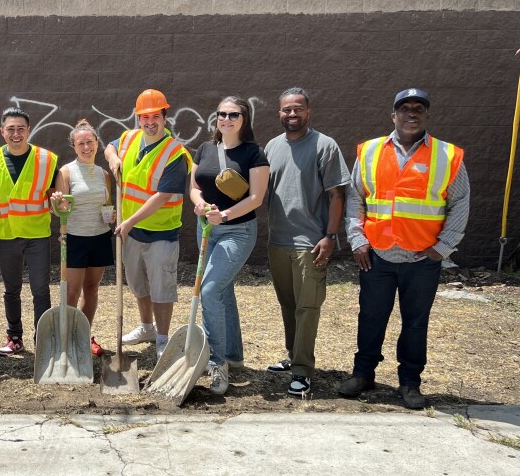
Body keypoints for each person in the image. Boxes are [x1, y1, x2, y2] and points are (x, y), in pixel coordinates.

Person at [338, 88, 469, 409]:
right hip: (377, 255)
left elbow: (460, 201)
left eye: (419, 108)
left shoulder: (447, 156)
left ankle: (410, 383)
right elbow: (356, 198)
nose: (412, 113)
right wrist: (357, 239)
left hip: (423, 258)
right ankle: (363, 374)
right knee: (370, 317)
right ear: (393, 115)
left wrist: (443, 247)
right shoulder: (369, 152)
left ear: (427, 115)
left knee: (415, 322)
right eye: (405, 108)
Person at [264, 88, 350, 398]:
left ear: (308, 112)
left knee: (308, 307)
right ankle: (291, 356)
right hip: (278, 241)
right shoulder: (272, 147)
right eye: (286, 109)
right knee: (288, 305)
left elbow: (337, 194)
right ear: (279, 113)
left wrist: (329, 236)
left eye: (297, 109)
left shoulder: (324, 146)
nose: (292, 114)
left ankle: (302, 371)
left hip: (311, 243)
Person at [189, 97, 269, 395]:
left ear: (243, 119)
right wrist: (199, 205)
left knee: (209, 289)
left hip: (237, 231)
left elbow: (256, 198)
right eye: (221, 114)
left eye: (233, 114)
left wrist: (223, 215)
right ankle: (234, 356)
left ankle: (217, 362)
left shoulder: (254, 153)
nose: (226, 119)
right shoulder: (205, 149)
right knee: (224, 290)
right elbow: (195, 186)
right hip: (207, 229)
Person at [105, 89, 192, 359]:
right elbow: (109, 146)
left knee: (161, 288)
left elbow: (162, 196)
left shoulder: (175, 153)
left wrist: (128, 221)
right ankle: (146, 328)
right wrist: (113, 159)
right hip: (131, 232)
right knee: (137, 283)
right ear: (138, 117)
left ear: (166, 117)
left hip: (160, 234)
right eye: (144, 116)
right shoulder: (129, 138)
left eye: (156, 116)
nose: (150, 121)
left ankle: (163, 338)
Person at [0, 107, 58, 356]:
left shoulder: (47, 159)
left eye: (21, 129)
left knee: (41, 289)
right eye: (11, 129)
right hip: (6, 234)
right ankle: (14, 337)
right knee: (12, 289)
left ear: (29, 130)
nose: (16, 134)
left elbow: (54, 193)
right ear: (2, 131)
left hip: (37, 233)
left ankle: (44, 339)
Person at [51, 120, 115, 356]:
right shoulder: (66, 172)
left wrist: (111, 216)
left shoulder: (104, 174)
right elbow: (59, 209)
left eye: (90, 142)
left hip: (99, 237)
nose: (86, 147)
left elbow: (106, 205)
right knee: (71, 292)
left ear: (97, 144)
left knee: (92, 289)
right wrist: (58, 204)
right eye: (81, 143)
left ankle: (83, 336)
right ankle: (65, 336)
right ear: (74, 146)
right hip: (75, 238)